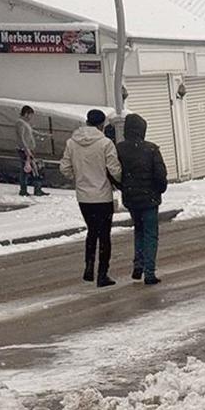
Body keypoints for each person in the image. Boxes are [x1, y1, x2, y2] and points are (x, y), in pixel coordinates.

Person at [60, 109, 121, 287]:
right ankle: (103, 274)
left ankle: (89, 267)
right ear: (102, 124)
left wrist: (78, 177)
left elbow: (64, 168)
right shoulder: (105, 143)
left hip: (83, 196)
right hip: (102, 196)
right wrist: (118, 181)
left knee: (92, 231)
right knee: (104, 235)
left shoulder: (72, 143)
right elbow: (115, 170)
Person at [116, 113, 168, 285]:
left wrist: (123, 187)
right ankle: (149, 272)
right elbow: (160, 174)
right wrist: (159, 189)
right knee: (150, 234)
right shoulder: (151, 149)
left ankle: (138, 264)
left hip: (131, 197)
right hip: (150, 198)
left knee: (138, 230)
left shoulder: (119, 149)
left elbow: (114, 172)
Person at [15, 106, 47, 196]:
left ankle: (32, 189)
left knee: (30, 169)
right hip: (24, 150)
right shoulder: (20, 123)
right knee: (29, 169)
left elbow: (32, 131)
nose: (31, 117)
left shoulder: (25, 123)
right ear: (26, 114)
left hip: (28, 149)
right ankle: (28, 190)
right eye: (30, 115)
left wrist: (44, 134)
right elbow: (21, 138)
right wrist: (26, 149)